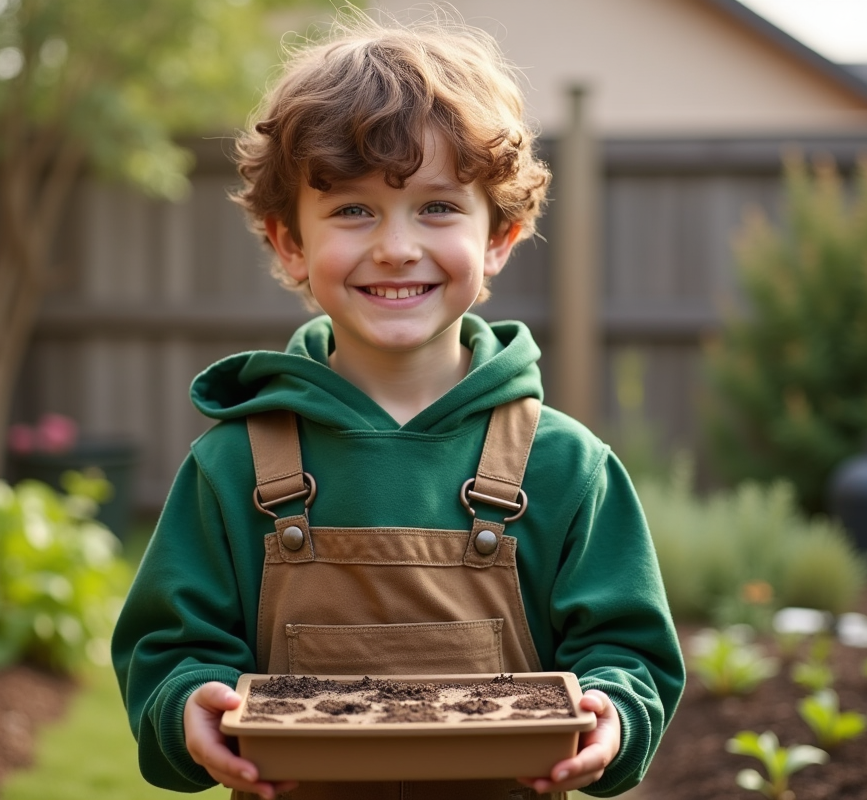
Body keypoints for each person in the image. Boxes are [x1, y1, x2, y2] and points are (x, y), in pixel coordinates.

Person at [111, 8, 684, 799]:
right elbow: (168, 652)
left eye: (439, 207)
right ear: (289, 242)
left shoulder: (566, 466)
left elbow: (630, 655)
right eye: (352, 209)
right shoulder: (233, 464)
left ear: (499, 238)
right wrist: (186, 707)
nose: (396, 246)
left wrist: (614, 711)